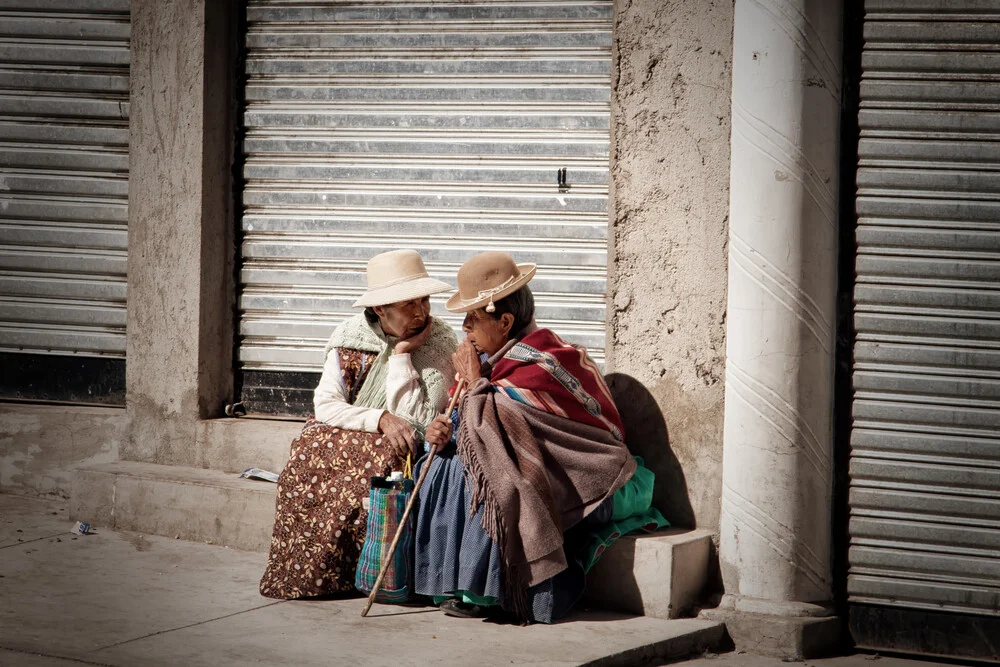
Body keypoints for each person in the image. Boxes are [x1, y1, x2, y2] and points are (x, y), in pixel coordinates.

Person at [414, 251, 667, 623]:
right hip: (546, 476)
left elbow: (499, 428)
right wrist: (440, 429)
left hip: (594, 480)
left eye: (473, 318)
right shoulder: (490, 363)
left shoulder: (544, 362)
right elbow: (471, 428)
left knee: (494, 472)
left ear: (505, 321)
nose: (464, 328)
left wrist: (474, 385)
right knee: (446, 464)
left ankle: (497, 592)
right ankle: (464, 585)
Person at [259, 249, 458, 599]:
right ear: (380, 309)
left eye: (424, 300)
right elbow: (326, 405)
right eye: (408, 304)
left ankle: (367, 571)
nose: (422, 312)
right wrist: (378, 418)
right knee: (309, 448)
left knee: (388, 456)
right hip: (359, 432)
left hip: (406, 444)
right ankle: (309, 571)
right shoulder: (350, 337)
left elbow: (418, 418)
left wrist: (401, 355)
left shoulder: (438, 341)